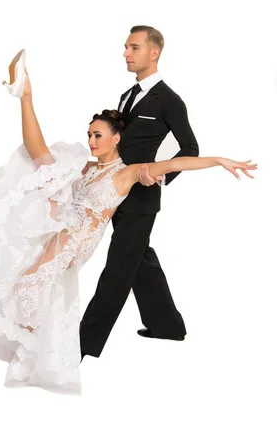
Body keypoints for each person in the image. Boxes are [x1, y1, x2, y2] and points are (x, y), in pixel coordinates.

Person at [0, 49, 257, 394]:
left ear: (116, 138)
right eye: (90, 134)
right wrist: (28, 99)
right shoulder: (86, 167)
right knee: (41, 194)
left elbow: (176, 163)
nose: (91, 141)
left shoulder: (126, 174)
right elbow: (39, 151)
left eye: (98, 135)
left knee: (33, 285)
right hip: (61, 233)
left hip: (77, 242)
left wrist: (218, 160)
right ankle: (25, 94)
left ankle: (45, 351)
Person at [80, 25, 199, 359]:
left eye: (133, 47)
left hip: (141, 200)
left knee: (118, 268)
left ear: (154, 52)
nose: (126, 53)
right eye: (126, 47)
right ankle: (167, 326)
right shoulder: (127, 95)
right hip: (113, 192)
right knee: (139, 260)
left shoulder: (170, 100)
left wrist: (158, 178)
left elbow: (189, 147)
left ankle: (82, 346)